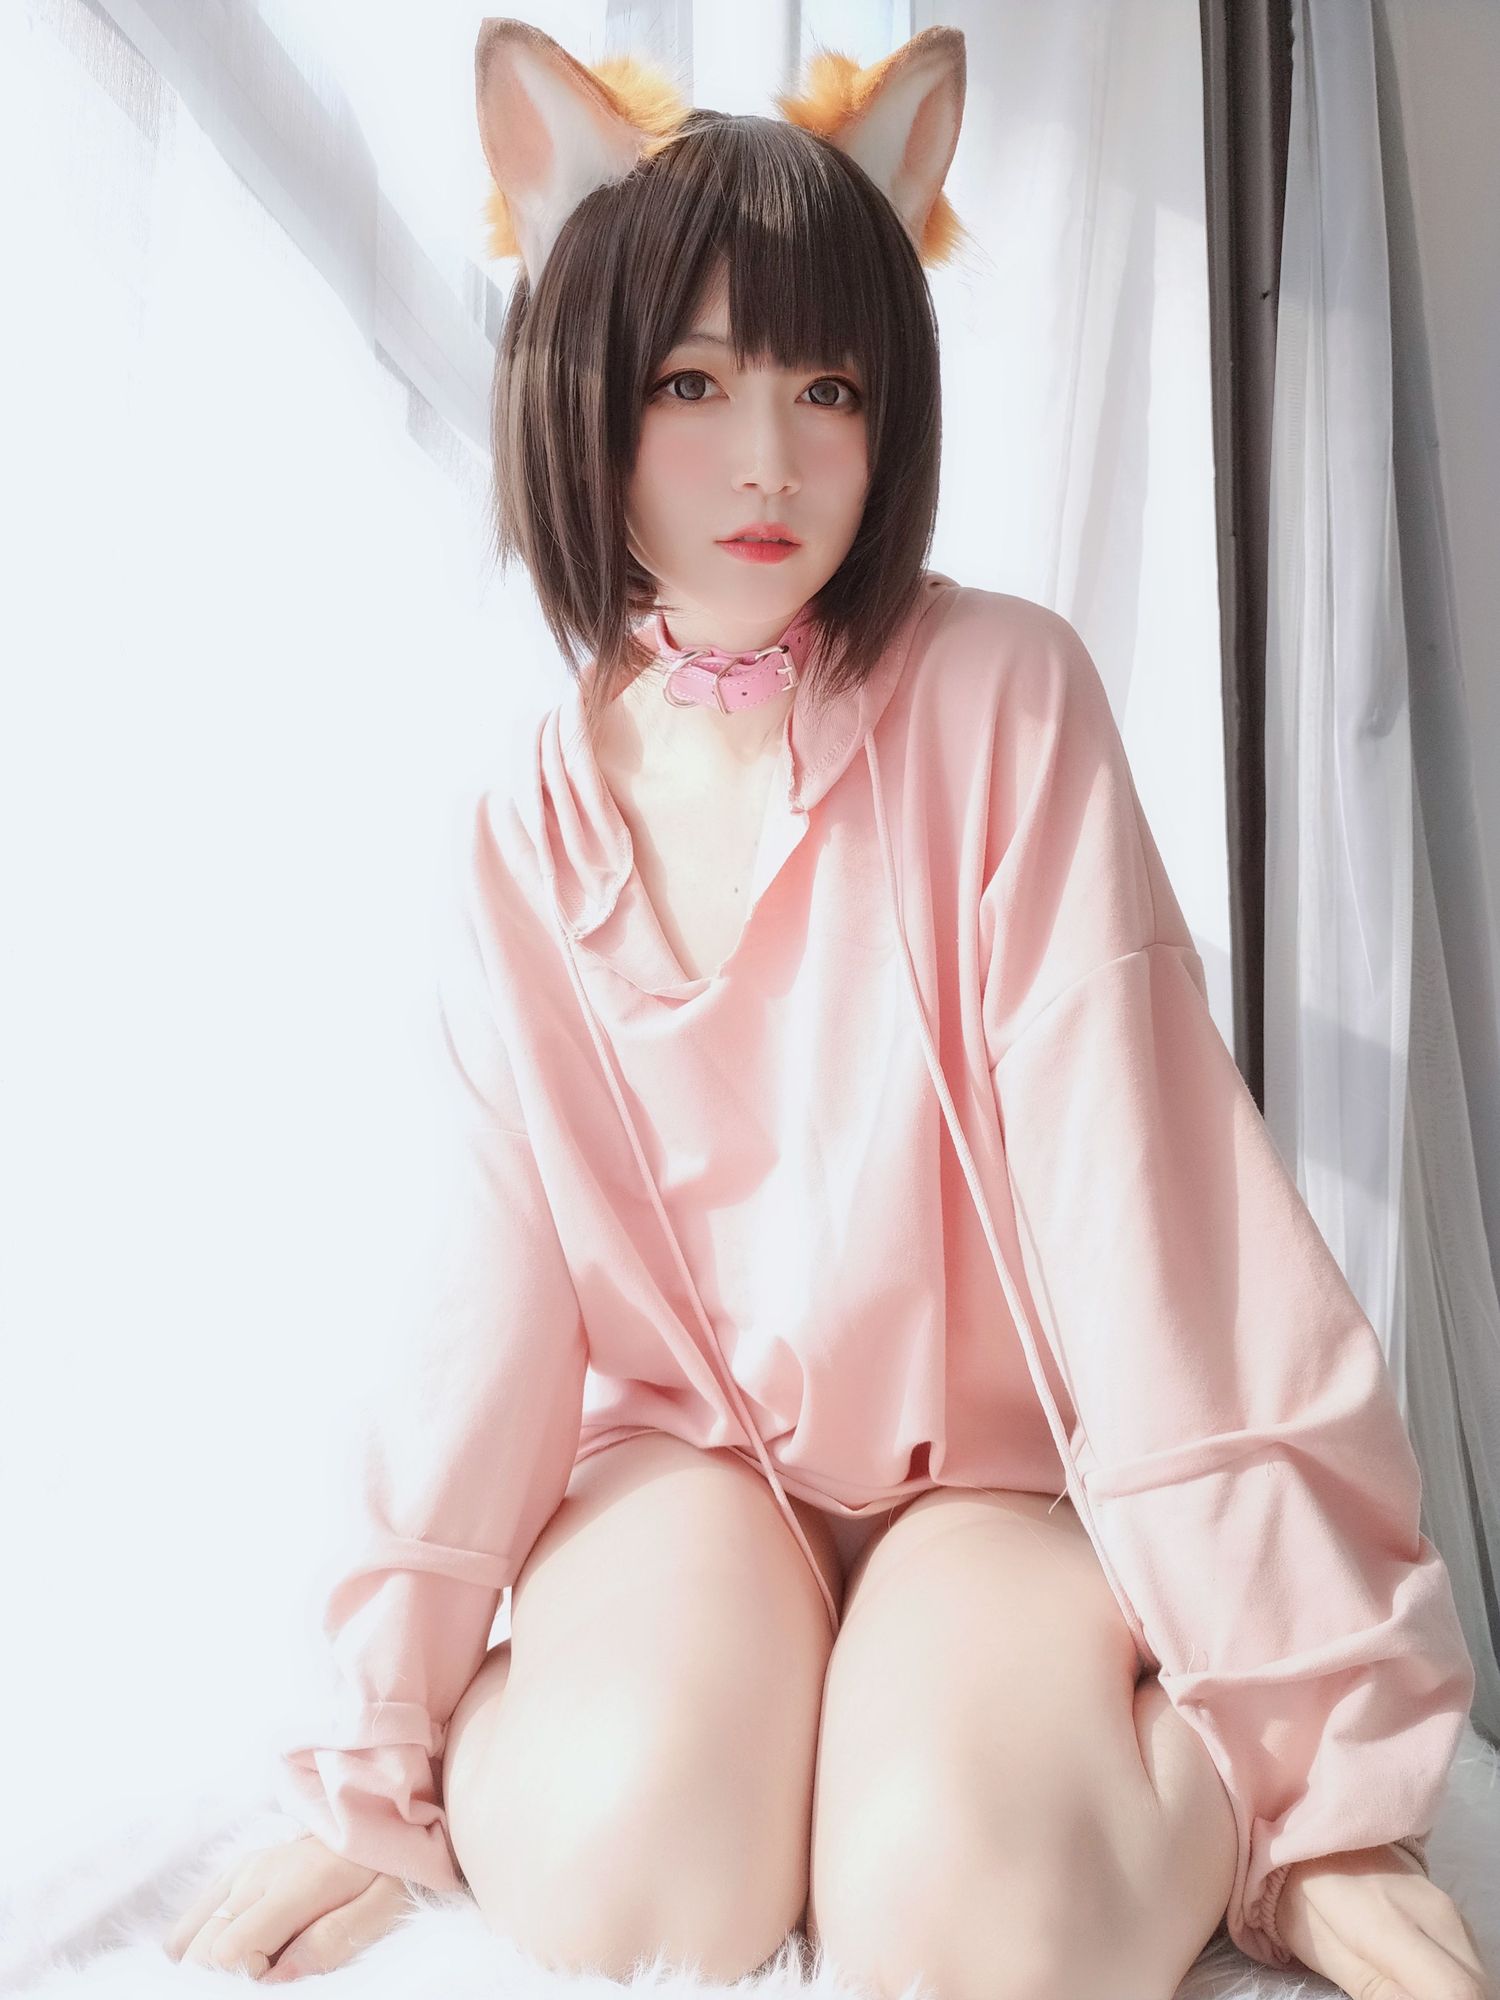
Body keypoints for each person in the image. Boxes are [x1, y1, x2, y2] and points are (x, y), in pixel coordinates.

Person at [163, 17, 1486, 1999]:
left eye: (828, 385)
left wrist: (1320, 1793)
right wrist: (373, 1756)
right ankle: (721, 1722)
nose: (769, 459)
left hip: (995, 1485)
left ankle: (1139, 1779)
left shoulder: (1004, 701)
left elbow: (1148, 1233)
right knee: (629, 1877)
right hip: (686, 1479)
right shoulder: (530, 823)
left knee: (967, 1925)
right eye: (692, 382)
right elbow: (490, 1305)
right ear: (582, 386)